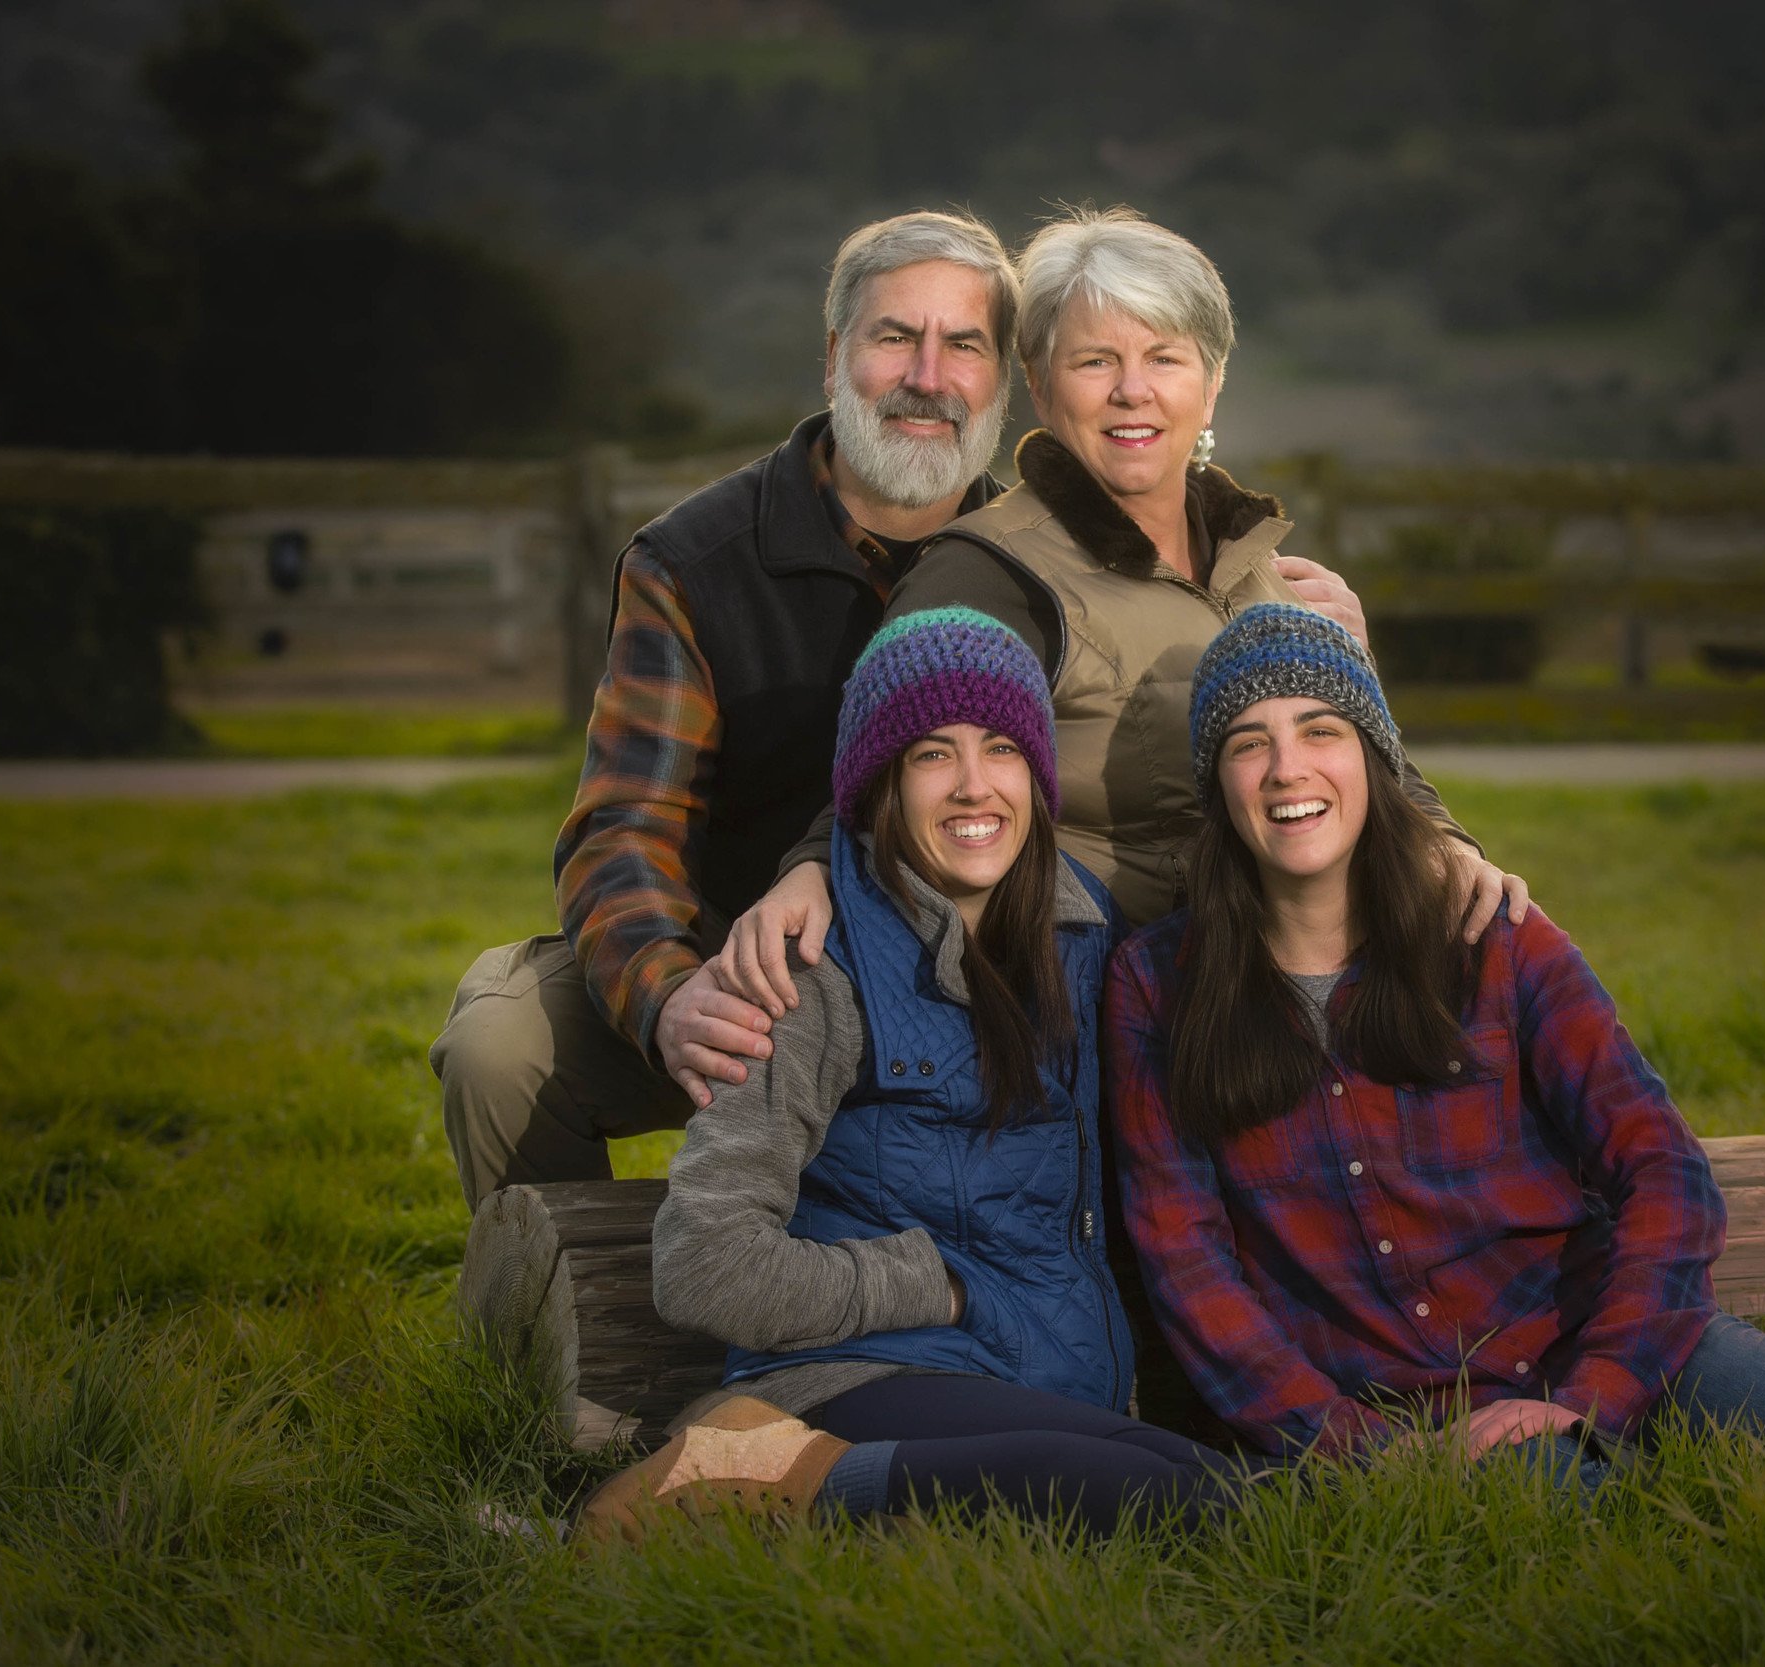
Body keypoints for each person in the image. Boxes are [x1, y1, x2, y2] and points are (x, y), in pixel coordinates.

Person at [1103, 603, 1765, 1482]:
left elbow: (1661, 1165)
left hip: (1599, 1335)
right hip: (1395, 1414)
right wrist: (1362, 1451)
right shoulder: (1158, 984)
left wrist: (1595, 1392)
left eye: (1321, 729)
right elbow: (1188, 1265)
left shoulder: (1493, 937)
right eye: (1247, 741)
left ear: (1373, 757)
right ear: (1217, 783)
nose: (1286, 768)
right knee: (1548, 1519)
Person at [709, 206, 1527, 1019]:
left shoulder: (1264, 568)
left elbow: (1362, 758)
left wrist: (1448, 845)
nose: (1133, 391)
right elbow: (887, 766)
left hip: (1294, 971)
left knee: (1522, 964)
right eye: (1095, 361)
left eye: (1165, 358)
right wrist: (809, 867)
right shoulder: (989, 575)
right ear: (1037, 383)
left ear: (1210, 386)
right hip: (1113, 1007)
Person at [572, 609, 1255, 1545]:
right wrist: (934, 1287)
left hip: (1035, 1373)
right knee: (1186, 1500)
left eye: (1004, 748)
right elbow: (704, 1264)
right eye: (934, 754)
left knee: (1200, 1480)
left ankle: (787, 1490)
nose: (975, 786)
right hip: (856, 1376)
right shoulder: (809, 965)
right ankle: (750, 1479)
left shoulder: (1085, 932)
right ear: (881, 783)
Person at [428, 210, 1023, 1210]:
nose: (928, 373)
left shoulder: (1032, 566)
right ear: (835, 356)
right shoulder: (696, 562)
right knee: (500, 1039)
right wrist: (670, 994)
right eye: (893, 336)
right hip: (739, 974)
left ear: (1001, 375)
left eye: (963, 343)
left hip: (965, 991)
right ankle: (548, 1325)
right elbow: (624, 826)